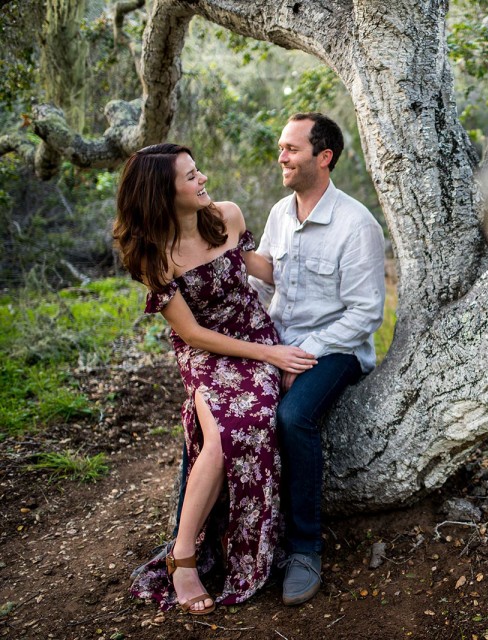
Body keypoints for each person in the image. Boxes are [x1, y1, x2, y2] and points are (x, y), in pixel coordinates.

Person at [116, 144, 318, 614]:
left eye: (197, 169)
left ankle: (250, 547)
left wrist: (316, 261)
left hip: (255, 333)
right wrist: (270, 353)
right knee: (223, 431)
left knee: (251, 424)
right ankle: (182, 557)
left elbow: (262, 269)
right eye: (190, 176)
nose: (203, 178)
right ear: (162, 194)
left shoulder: (226, 215)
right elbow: (191, 333)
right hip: (208, 352)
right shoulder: (153, 255)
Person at [250, 112, 385, 606]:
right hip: (278, 342)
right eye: (282, 147)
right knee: (222, 408)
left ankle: (305, 548)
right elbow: (264, 281)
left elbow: (366, 313)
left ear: (323, 157)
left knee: (292, 416)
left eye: (291, 148)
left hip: (336, 349)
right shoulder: (278, 214)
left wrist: (297, 359)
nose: (281, 156)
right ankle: (205, 533)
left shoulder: (356, 225)